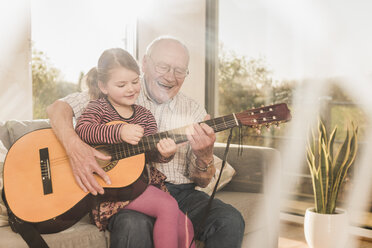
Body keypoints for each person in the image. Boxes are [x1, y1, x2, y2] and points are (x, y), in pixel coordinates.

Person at [47, 36, 245, 248]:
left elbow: (200, 179)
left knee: (229, 220)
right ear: (144, 64)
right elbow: (58, 109)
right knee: (134, 224)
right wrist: (75, 147)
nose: (170, 77)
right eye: (163, 66)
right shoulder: (115, 92)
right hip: (125, 189)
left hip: (179, 191)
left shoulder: (188, 110)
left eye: (179, 70)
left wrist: (202, 154)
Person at [74, 47, 195, 248]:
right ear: (104, 86)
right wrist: (119, 131)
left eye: (135, 81)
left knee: (186, 224)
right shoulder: (98, 108)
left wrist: (165, 153)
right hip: (110, 193)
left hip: (139, 184)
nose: (131, 89)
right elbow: (83, 131)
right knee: (168, 206)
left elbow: (150, 153)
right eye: (121, 84)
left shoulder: (144, 115)